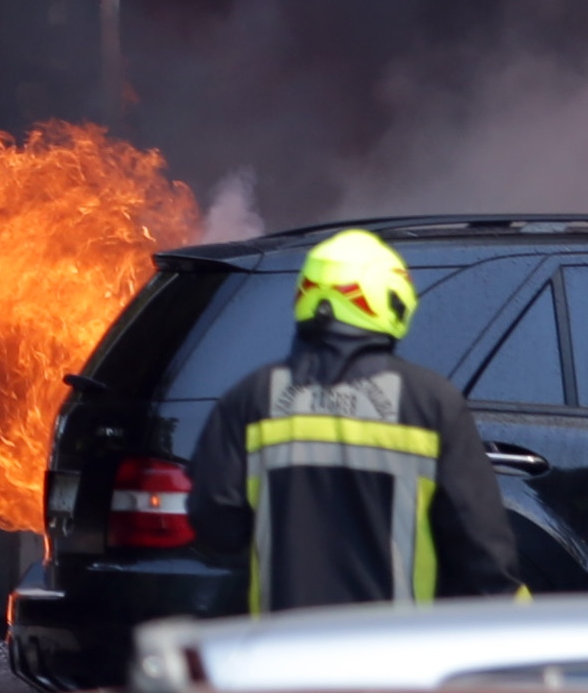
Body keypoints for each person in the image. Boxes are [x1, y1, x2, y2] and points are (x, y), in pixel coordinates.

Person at [189, 227, 523, 611]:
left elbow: (215, 528)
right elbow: (482, 552)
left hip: (281, 656)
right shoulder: (431, 403)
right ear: (391, 303)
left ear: (307, 297)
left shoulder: (249, 400)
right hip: (390, 659)